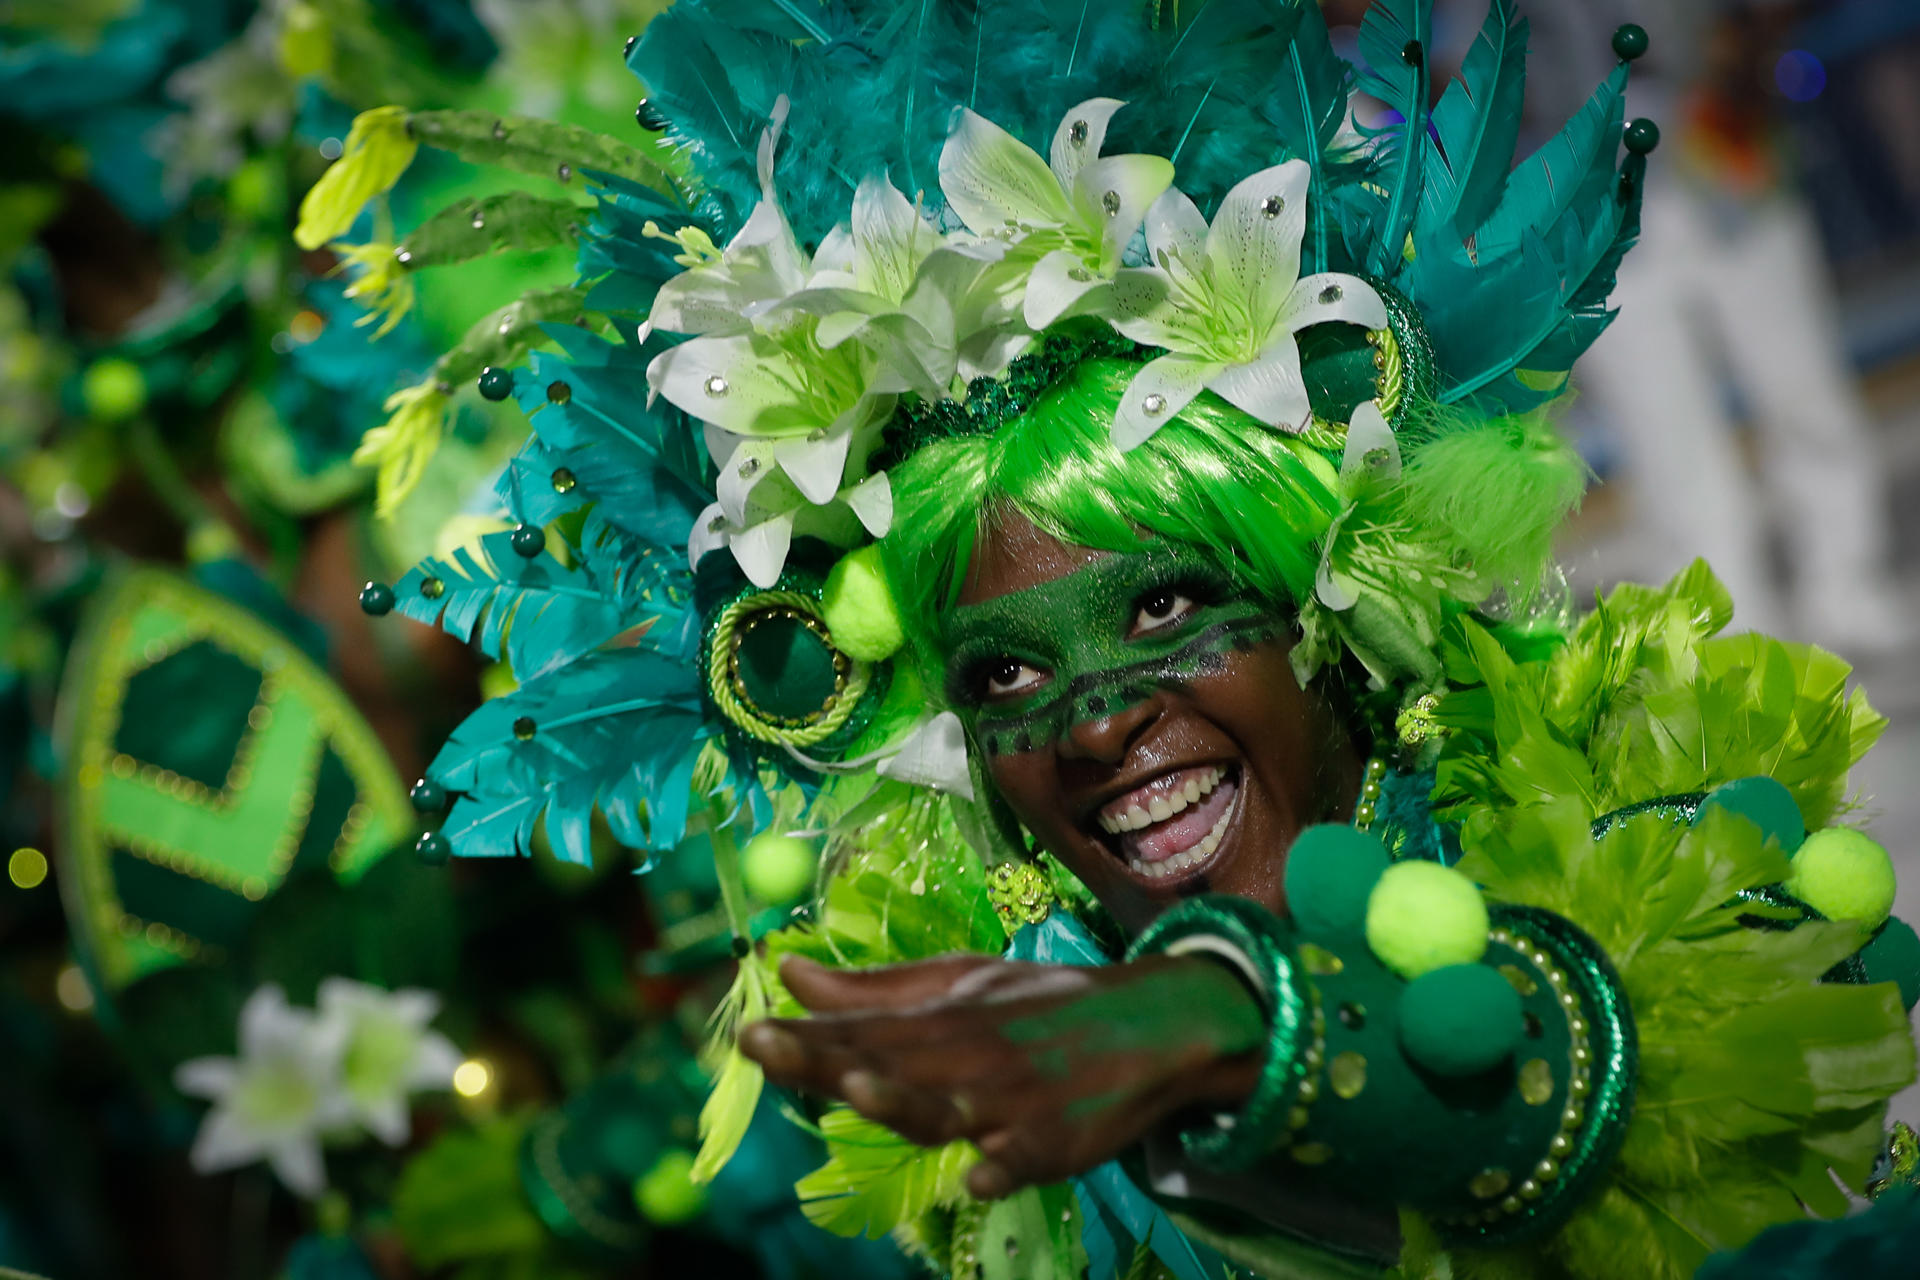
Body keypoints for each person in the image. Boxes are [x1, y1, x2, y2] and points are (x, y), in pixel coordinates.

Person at [359, 0, 1920, 1275]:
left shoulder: (1634, 806)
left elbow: (1641, 1040)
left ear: (1328, 610)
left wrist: (1246, 1031)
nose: (1098, 720)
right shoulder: (968, 1081)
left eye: (1167, 606)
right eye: (1004, 674)